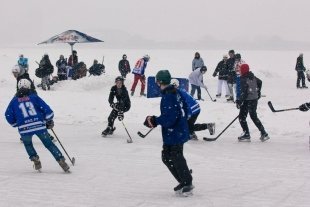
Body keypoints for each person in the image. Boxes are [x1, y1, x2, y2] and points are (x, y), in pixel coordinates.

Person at [144, 70, 194, 196]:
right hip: (178, 131)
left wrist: (154, 120)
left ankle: (187, 181)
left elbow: (169, 118)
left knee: (174, 156)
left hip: (175, 132)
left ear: (159, 81)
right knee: (169, 156)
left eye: (157, 81)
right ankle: (184, 179)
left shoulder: (168, 96)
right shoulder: (175, 92)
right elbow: (186, 110)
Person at [4, 79, 70, 172]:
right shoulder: (34, 97)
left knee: (28, 144)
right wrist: (48, 119)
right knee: (49, 144)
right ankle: (61, 160)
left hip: (24, 129)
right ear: (29, 86)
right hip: (38, 125)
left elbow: (8, 115)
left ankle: (35, 159)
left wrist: (16, 123)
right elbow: (47, 109)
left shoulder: (14, 101)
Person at [236, 64, 269, 142]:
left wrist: (239, 101)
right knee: (253, 116)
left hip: (247, 100)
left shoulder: (244, 79)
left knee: (242, 117)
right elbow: (260, 82)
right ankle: (263, 132)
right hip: (254, 99)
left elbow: (244, 93)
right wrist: (258, 92)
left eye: (241, 70)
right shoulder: (252, 76)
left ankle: (246, 134)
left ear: (243, 70)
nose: (240, 71)